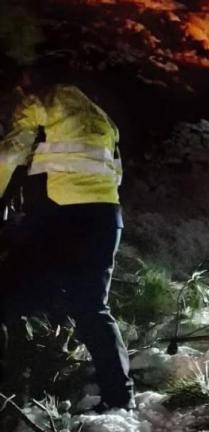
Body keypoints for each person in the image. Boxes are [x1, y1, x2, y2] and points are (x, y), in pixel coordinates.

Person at [0, 61, 135, 412]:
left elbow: (9, 155)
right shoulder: (103, 118)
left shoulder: (40, 102)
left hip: (59, 215)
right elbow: (114, 174)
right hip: (106, 217)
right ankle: (120, 399)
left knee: (11, 297)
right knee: (92, 308)